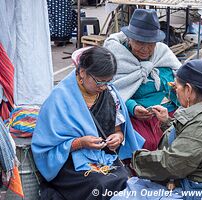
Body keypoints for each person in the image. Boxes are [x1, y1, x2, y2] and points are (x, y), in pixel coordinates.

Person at [111, 59, 202, 200]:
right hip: (192, 183)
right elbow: (190, 140)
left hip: (196, 191)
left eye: (176, 87)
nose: (175, 92)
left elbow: (172, 164)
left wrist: (135, 159)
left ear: (189, 90)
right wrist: (167, 122)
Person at [31, 46, 145, 200]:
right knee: (99, 184)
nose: (104, 86)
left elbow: (117, 129)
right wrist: (80, 143)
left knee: (124, 179)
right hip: (68, 162)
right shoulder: (59, 99)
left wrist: (118, 137)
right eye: (99, 82)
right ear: (83, 72)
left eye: (108, 81)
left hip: (102, 157)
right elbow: (46, 146)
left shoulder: (110, 93)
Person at [104, 9, 182, 151]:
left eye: (151, 43)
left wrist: (178, 86)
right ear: (129, 38)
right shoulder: (118, 57)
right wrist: (132, 107)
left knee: (183, 140)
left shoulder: (162, 52)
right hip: (138, 116)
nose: (145, 49)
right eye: (140, 42)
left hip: (170, 111)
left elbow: (180, 76)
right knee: (147, 144)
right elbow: (112, 91)